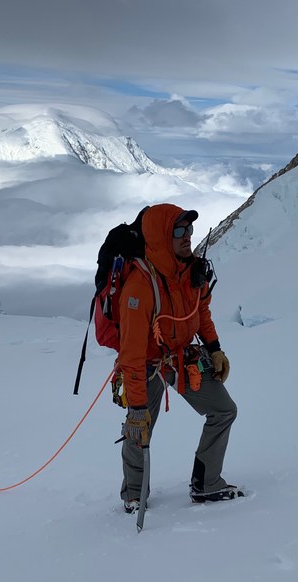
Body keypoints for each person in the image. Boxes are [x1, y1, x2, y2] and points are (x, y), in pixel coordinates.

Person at [116, 203, 241, 513]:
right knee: (139, 426)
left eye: (189, 230)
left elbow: (201, 311)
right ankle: (134, 495)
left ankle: (206, 484)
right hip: (146, 363)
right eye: (178, 231)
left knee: (224, 410)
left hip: (182, 357)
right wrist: (137, 405)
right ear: (160, 237)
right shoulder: (140, 286)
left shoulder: (191, 270)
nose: (187, 237)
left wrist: (215, 348)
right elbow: (130, 353)